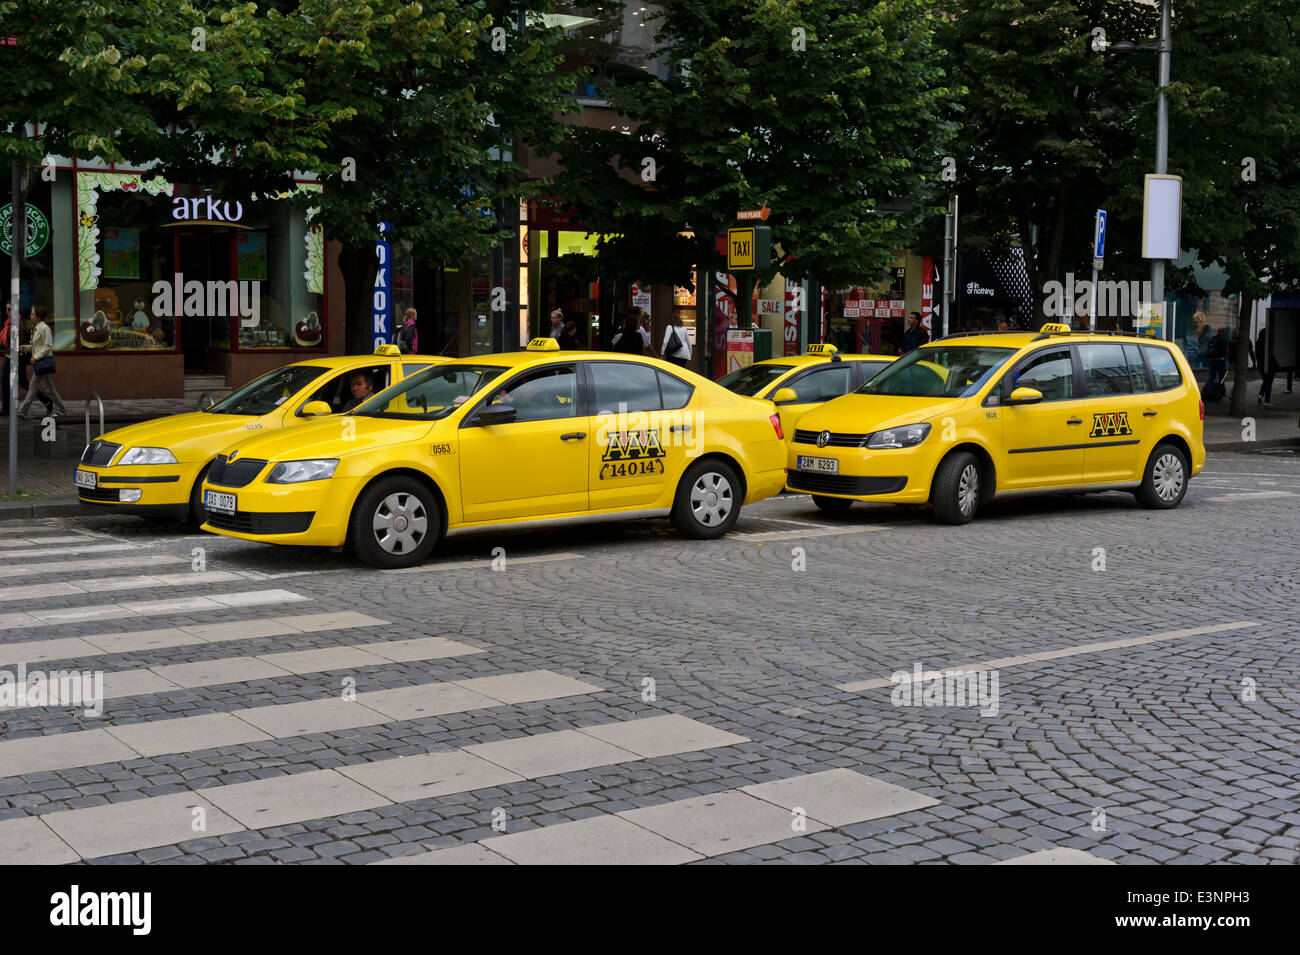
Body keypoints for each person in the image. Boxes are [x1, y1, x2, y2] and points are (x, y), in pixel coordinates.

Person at [19, 306, 66, 417]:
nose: (30, 316)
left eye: (32, 314)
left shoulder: (44, 328)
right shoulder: (36, 328)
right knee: (46, 388)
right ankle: (60, 409)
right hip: (40, 362)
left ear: (38, 316)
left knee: (35, 387)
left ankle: (24, 411)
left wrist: (36, 357)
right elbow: (37, 346)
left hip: (43, 361)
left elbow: (48, 346)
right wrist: (25, 348)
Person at [1253, 325, 1275, 406]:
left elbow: (1257, 355)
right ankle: (1266, 400)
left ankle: (1260, 396)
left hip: (1260, 365)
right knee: (1268, 382)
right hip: (1269, 365)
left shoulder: (1258, 343)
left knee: (1265, 381)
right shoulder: (1268, 344)